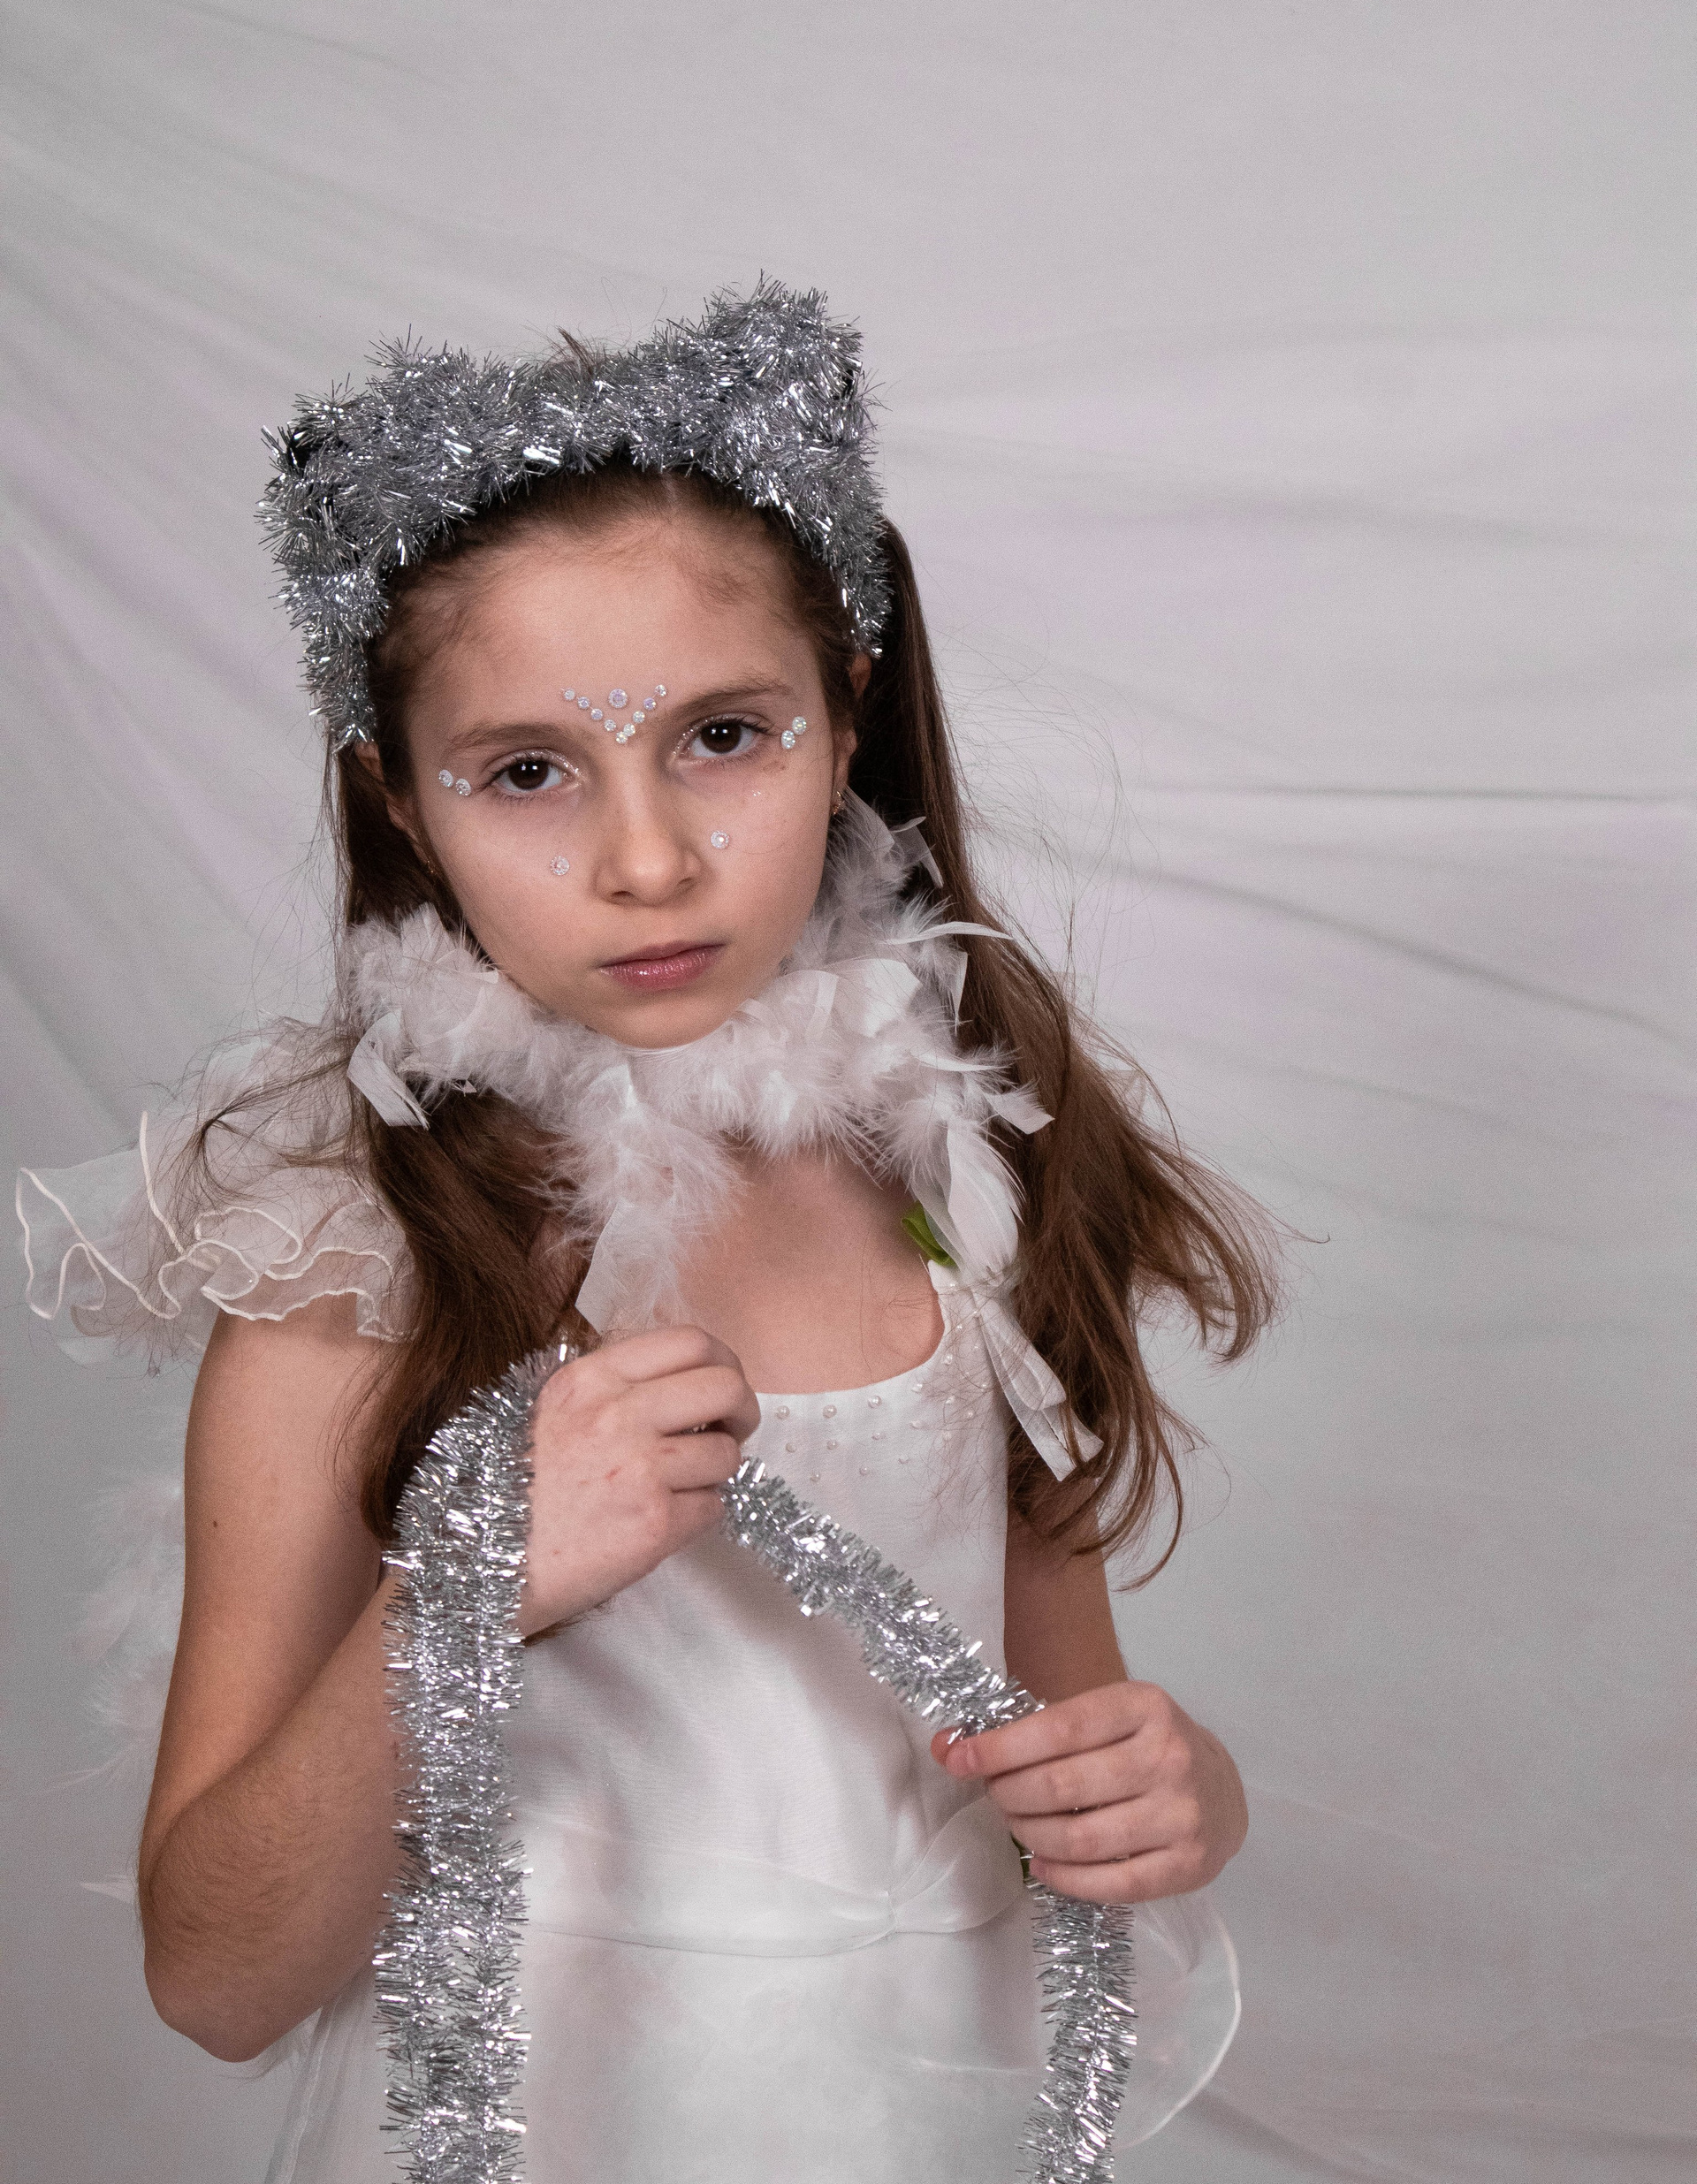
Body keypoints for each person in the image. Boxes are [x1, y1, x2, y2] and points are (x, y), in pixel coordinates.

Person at [19, 285, 1275, 2182]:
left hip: (927, 2113)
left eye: (724, 736)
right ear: (401, 804)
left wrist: (1167, 1792)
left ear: (848, 714)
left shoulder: (947, 1162)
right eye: (526, 770)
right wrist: (467, 1581)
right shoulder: (353, 1256)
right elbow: (216, 1973)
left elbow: (1059, 1721)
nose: (647, 859)